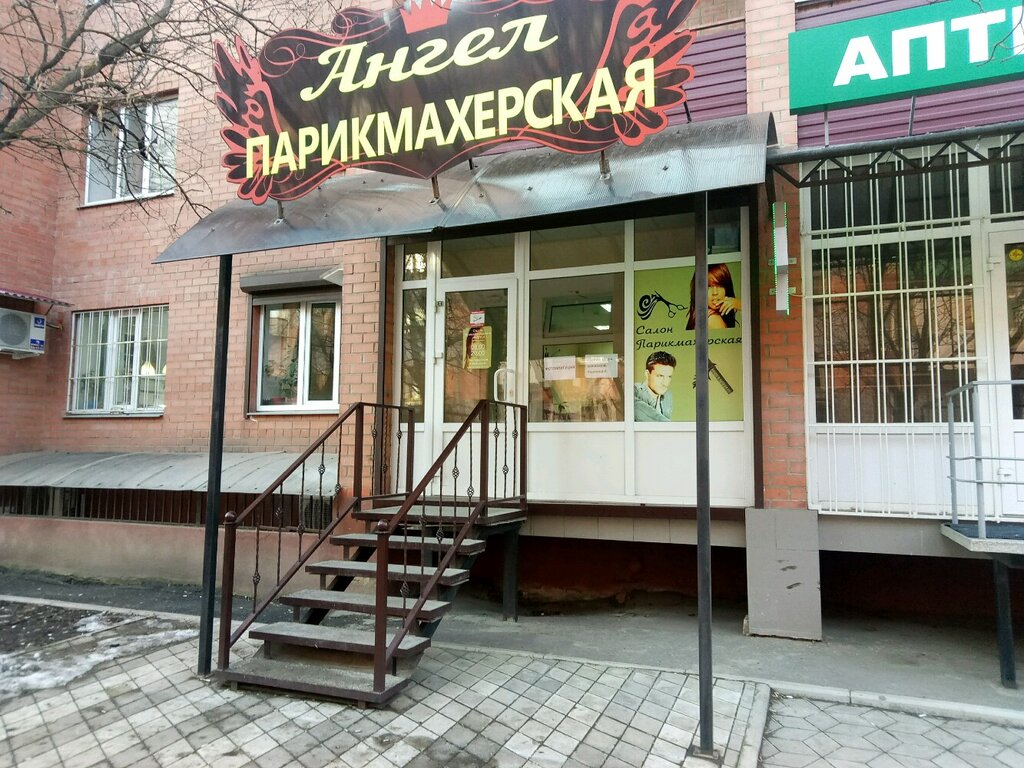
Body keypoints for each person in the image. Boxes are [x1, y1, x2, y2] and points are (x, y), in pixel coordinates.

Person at [685, 263, 740, 330]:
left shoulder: (698, 314)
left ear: (727, 287)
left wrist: (740, 305)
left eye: (720, 286)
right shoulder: (714, 320)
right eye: (709, 286)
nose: (715, 293)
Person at [634, 350, 675, 421]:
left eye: (669, 377)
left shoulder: (667, 396)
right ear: (647, 374)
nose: (665, 383)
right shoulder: (634, 391)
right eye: (660, 376)